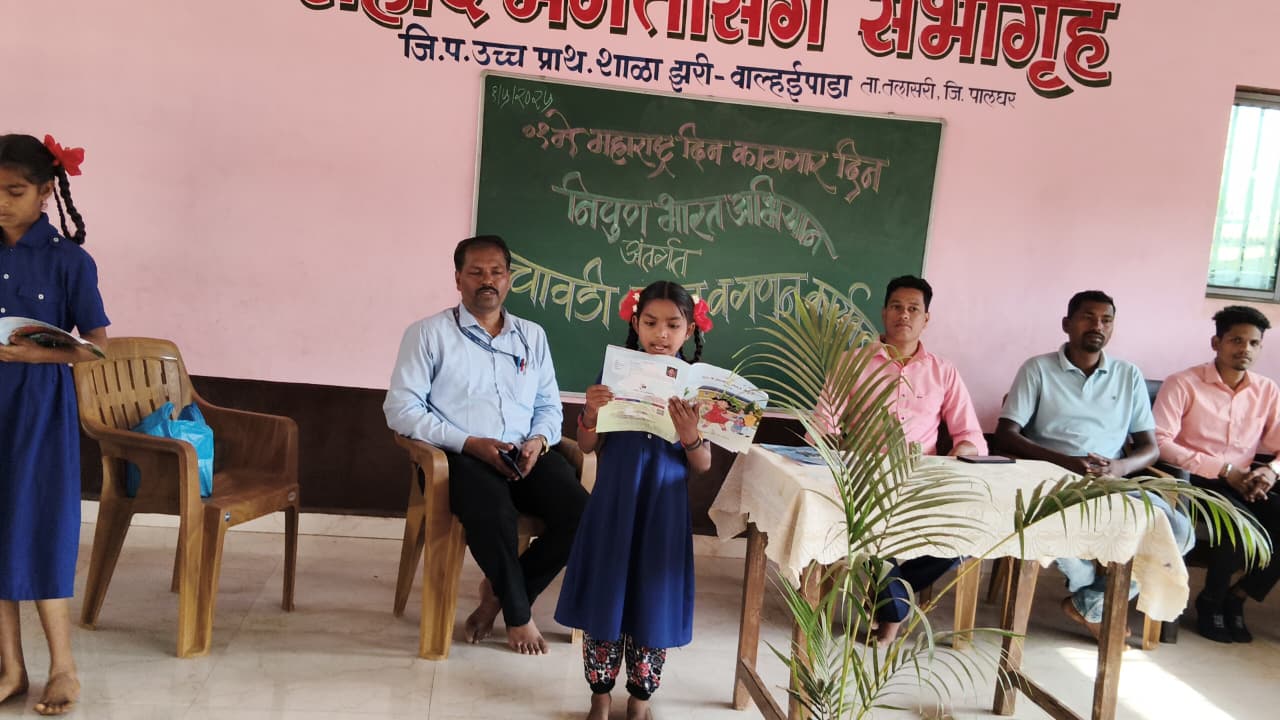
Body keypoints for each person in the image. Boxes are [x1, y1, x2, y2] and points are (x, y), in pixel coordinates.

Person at [383, 234, 587, 655]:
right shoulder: (428, 334)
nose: (487, 281)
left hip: (523, 454)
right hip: (457, 456)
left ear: (509, 279)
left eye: (496, 272)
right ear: (458, 279)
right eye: (476, 272)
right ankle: (518, 614)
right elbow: (400, 410)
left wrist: (538, 440)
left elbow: (549, 406)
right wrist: (469, 443)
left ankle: (496, 596)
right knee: (494, 511)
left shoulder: (532, 335)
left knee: (583, 514)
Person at [995, 290, 1194, 642]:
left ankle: (1090, 602)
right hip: (1051, 477)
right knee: (1057, 529)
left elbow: (1150, 448)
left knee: (1180, 532)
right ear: (1067, 324)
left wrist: (1119, 467)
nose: (1097, 326)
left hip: (1110, 481)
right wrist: (1066, 462)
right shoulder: (1038, 368)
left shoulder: (1128, 375)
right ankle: (1089, 590)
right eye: (1088, 317)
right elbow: (1006, 435)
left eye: (1106, 320)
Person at [556, 281, 713, 720]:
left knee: (653, 599)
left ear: (689, 330)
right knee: (605, 595)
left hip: (663, 512)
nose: (661, 334)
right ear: (636, 324)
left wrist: (690, 435)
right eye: (651, 323)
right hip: (614, 505)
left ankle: (641, 698)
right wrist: (590, 413)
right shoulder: (615, 375)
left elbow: (702, 464)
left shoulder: (698, 388)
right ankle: (600, 696)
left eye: (673, 325)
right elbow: (588, 445)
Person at [1, 134, 109, 716]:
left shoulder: (70, 261)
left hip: (39, 410)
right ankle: (10, 668)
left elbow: (96, 349)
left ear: (45, 191)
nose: (1, 203)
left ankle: (63, 669)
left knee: (42, 525)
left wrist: (36, 354)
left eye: (14, 191)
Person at [823, 275, 987, 645]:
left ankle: (893, 597)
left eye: (914, 309)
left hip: (921, 481)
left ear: (926, 319)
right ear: (884, 313)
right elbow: (823, 426)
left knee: (969, 533)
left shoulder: (943, 371)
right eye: (897, 307)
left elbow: (970, 435)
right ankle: (894, 616)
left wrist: (961, 451)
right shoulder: (851, 363)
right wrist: (840, 454)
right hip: (863, 480)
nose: (904, 315)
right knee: (867, 533)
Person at [1153, 305, 1280, 643]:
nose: (1245, 349)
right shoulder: (1183, 383)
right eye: (1236, 340)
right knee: (1238, 523)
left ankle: (1238, 596)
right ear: (1216, 343)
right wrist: (1224, 470)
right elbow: (1160, 442)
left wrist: (1270, 472)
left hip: (1246, 481)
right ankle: (1211, 601)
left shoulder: (1267, 390)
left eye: (1254, 343)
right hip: (1193, 481)